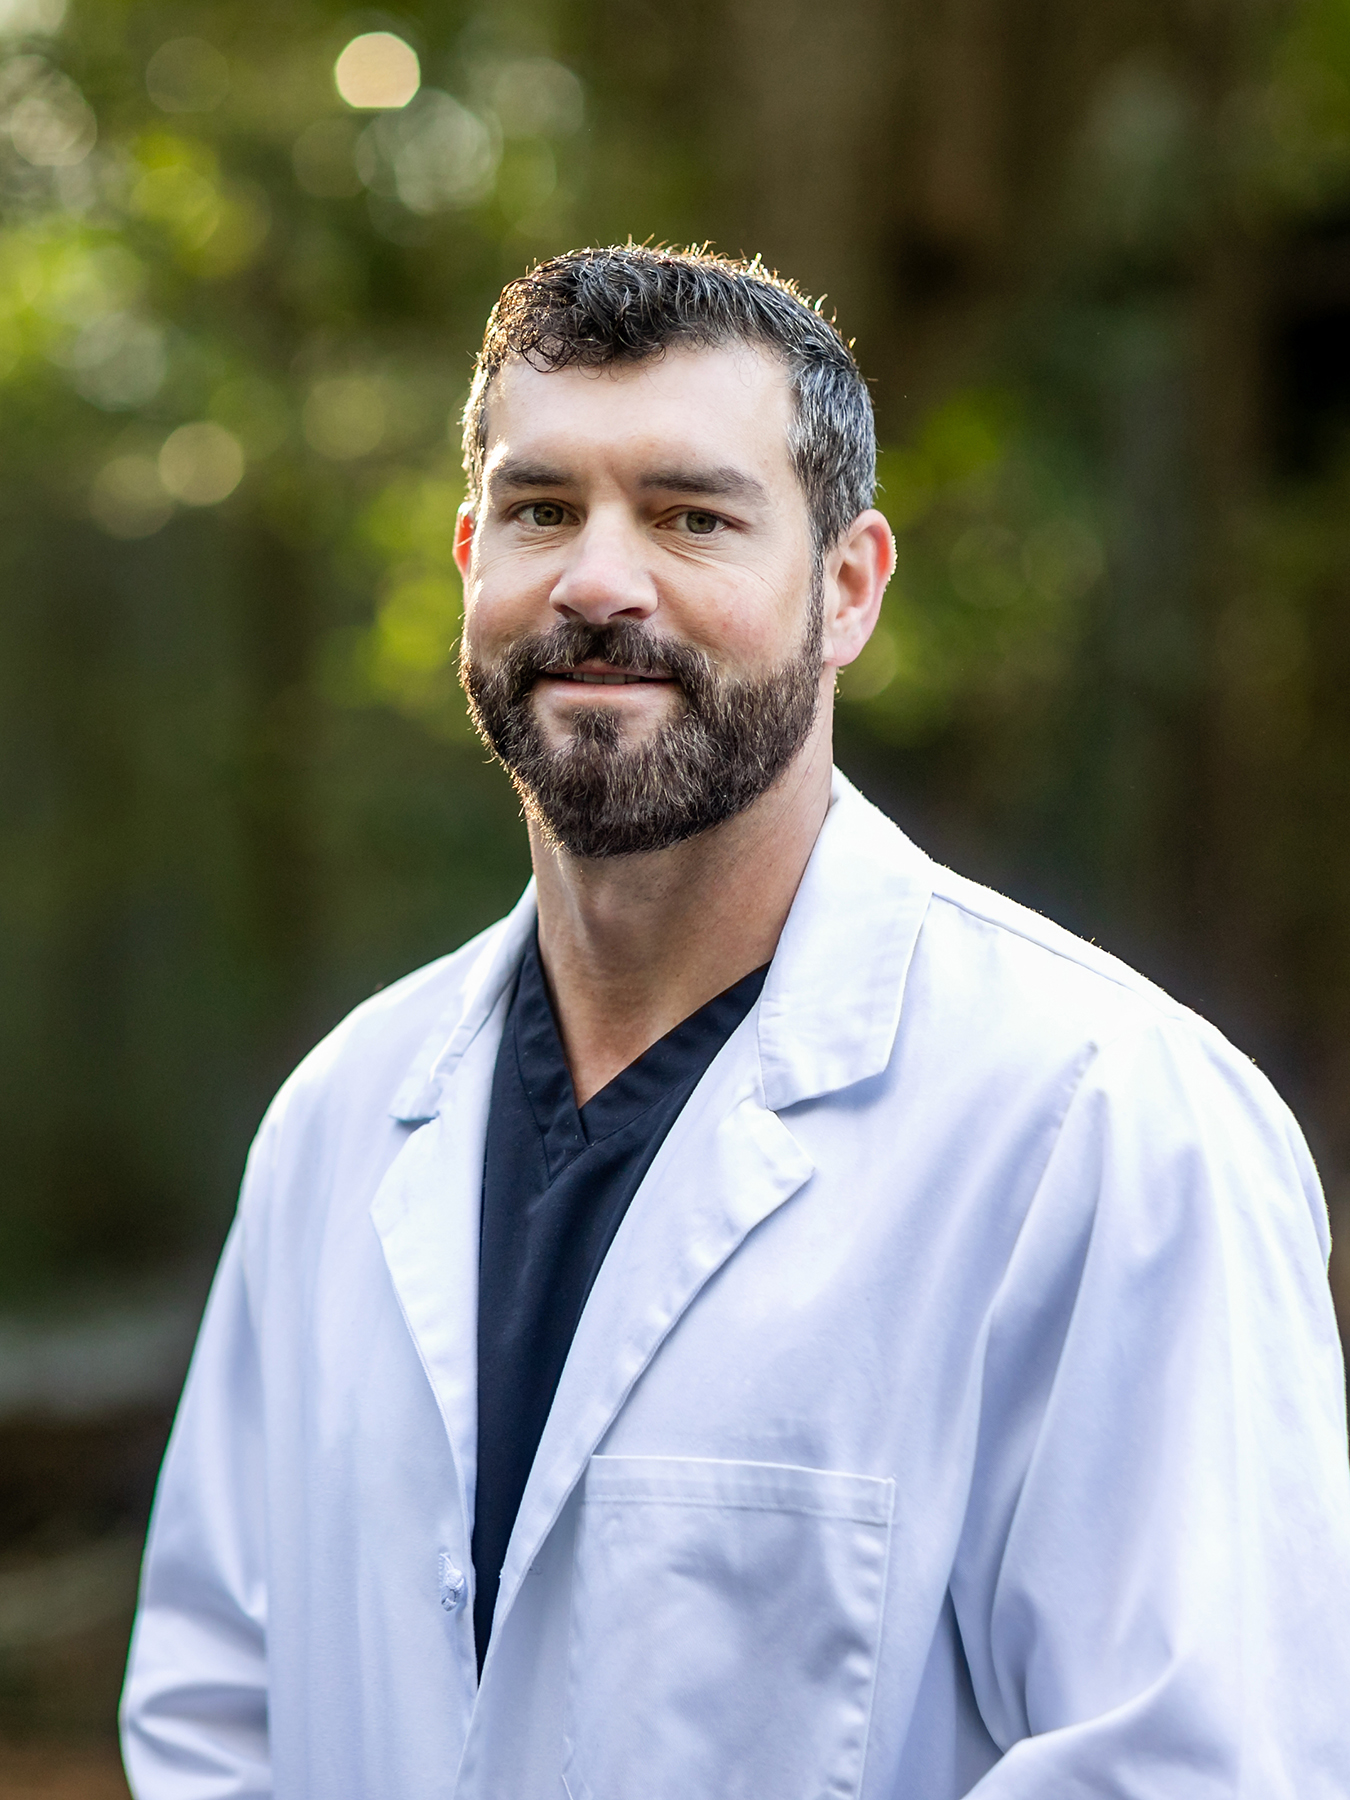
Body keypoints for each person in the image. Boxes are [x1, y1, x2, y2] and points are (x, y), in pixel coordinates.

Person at [121, 245, 1350, 1799]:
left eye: (692, 515)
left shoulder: (1106, 1117)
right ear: (469, 555)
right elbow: (218, 1709)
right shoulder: (342, 1119)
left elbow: (1196, 1766)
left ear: (846, 589)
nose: (596, 582)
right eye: (541, 508)